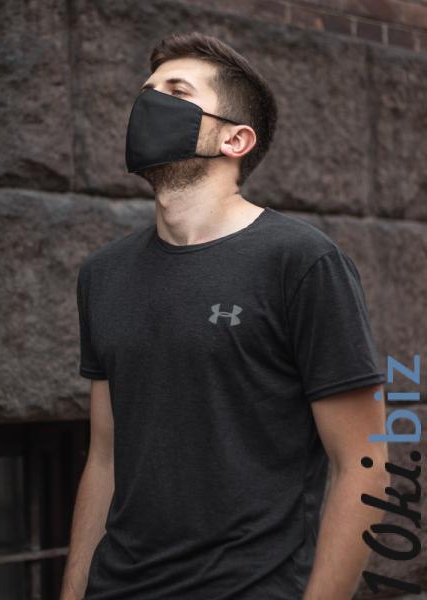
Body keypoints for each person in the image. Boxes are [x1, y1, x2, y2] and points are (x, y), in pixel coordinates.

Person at [61, 31, 389, 600]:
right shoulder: (103, 274)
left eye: (176, 92)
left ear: (235, 138)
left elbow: (363, 464)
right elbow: (106, 459)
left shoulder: (301, 261)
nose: (149, 104)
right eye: (147, 92)